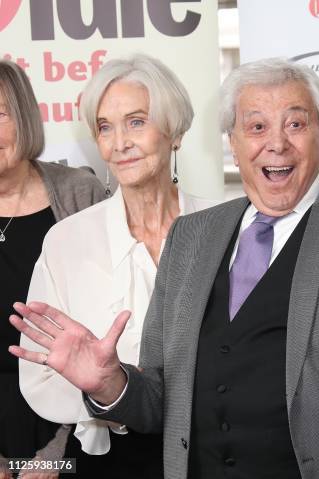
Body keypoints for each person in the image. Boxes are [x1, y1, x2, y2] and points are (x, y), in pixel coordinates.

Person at [10, 57, 319, 479]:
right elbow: (161, 398)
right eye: (256, 126)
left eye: (296, 124)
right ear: (234, 143)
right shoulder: (191, 236)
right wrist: (112, 385)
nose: (275, 142)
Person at [15, 54, 216, 478]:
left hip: (213, 451)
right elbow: (40, 376)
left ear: (175, 131)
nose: (119, 142)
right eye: (105, 127)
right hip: (111, 459)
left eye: (137, 122)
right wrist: (110, 390)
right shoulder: (67, 242)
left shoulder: (223, 229)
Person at [0, 60, 105, 479]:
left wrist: (55, 454)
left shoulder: (81, 193)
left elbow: (107, 326)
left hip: (70, 418)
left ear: (25, 118)